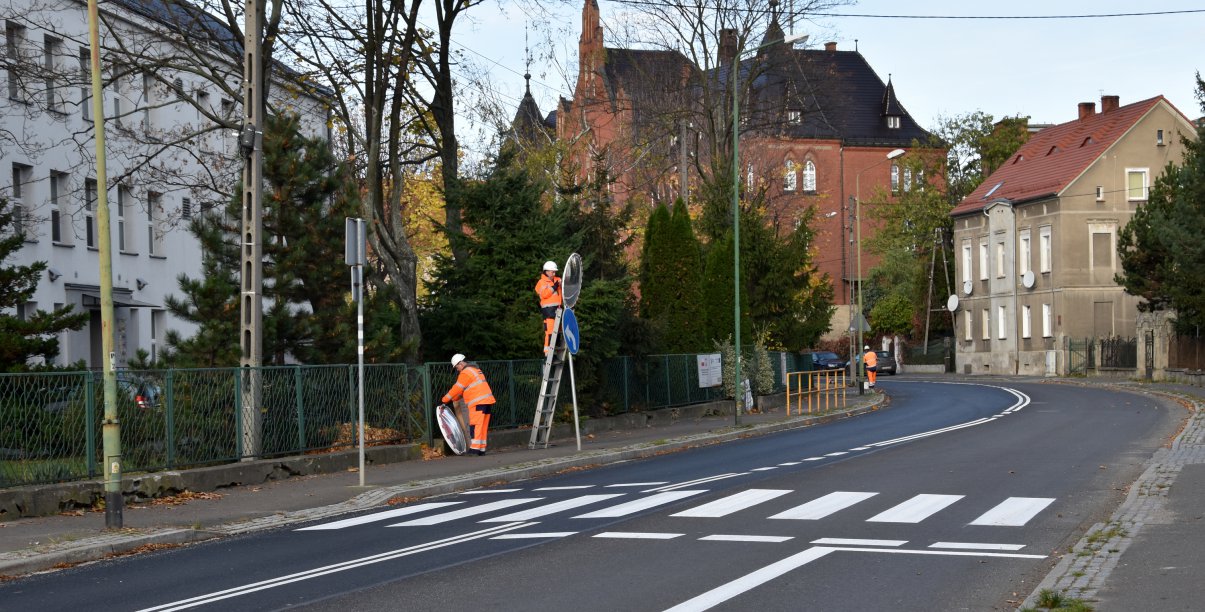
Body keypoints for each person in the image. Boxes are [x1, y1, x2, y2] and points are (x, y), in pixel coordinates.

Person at [441, 353, 495, 455]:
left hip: (478, 402)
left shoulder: (465, 373)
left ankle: (474, 450)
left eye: (456, 367)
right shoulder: (475, 370)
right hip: (487, 401)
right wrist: (455, 398)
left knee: (475, 426)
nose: (457, 369)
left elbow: (456, 389)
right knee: (482, 426)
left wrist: (444, 400)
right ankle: (481, 449)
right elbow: (462, 391)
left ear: (460, 363)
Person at [534, 260, 562, 354]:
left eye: (555, 271)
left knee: (558, 330)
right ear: (546, 271)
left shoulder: (558, 279)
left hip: (558, 308)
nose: (554, 273)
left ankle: (556, 349)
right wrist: (554, 287)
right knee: (550, 330)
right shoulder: (541, 282)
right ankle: (548, 350)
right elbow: (544, 294)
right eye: (552, 271)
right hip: (548, 310)